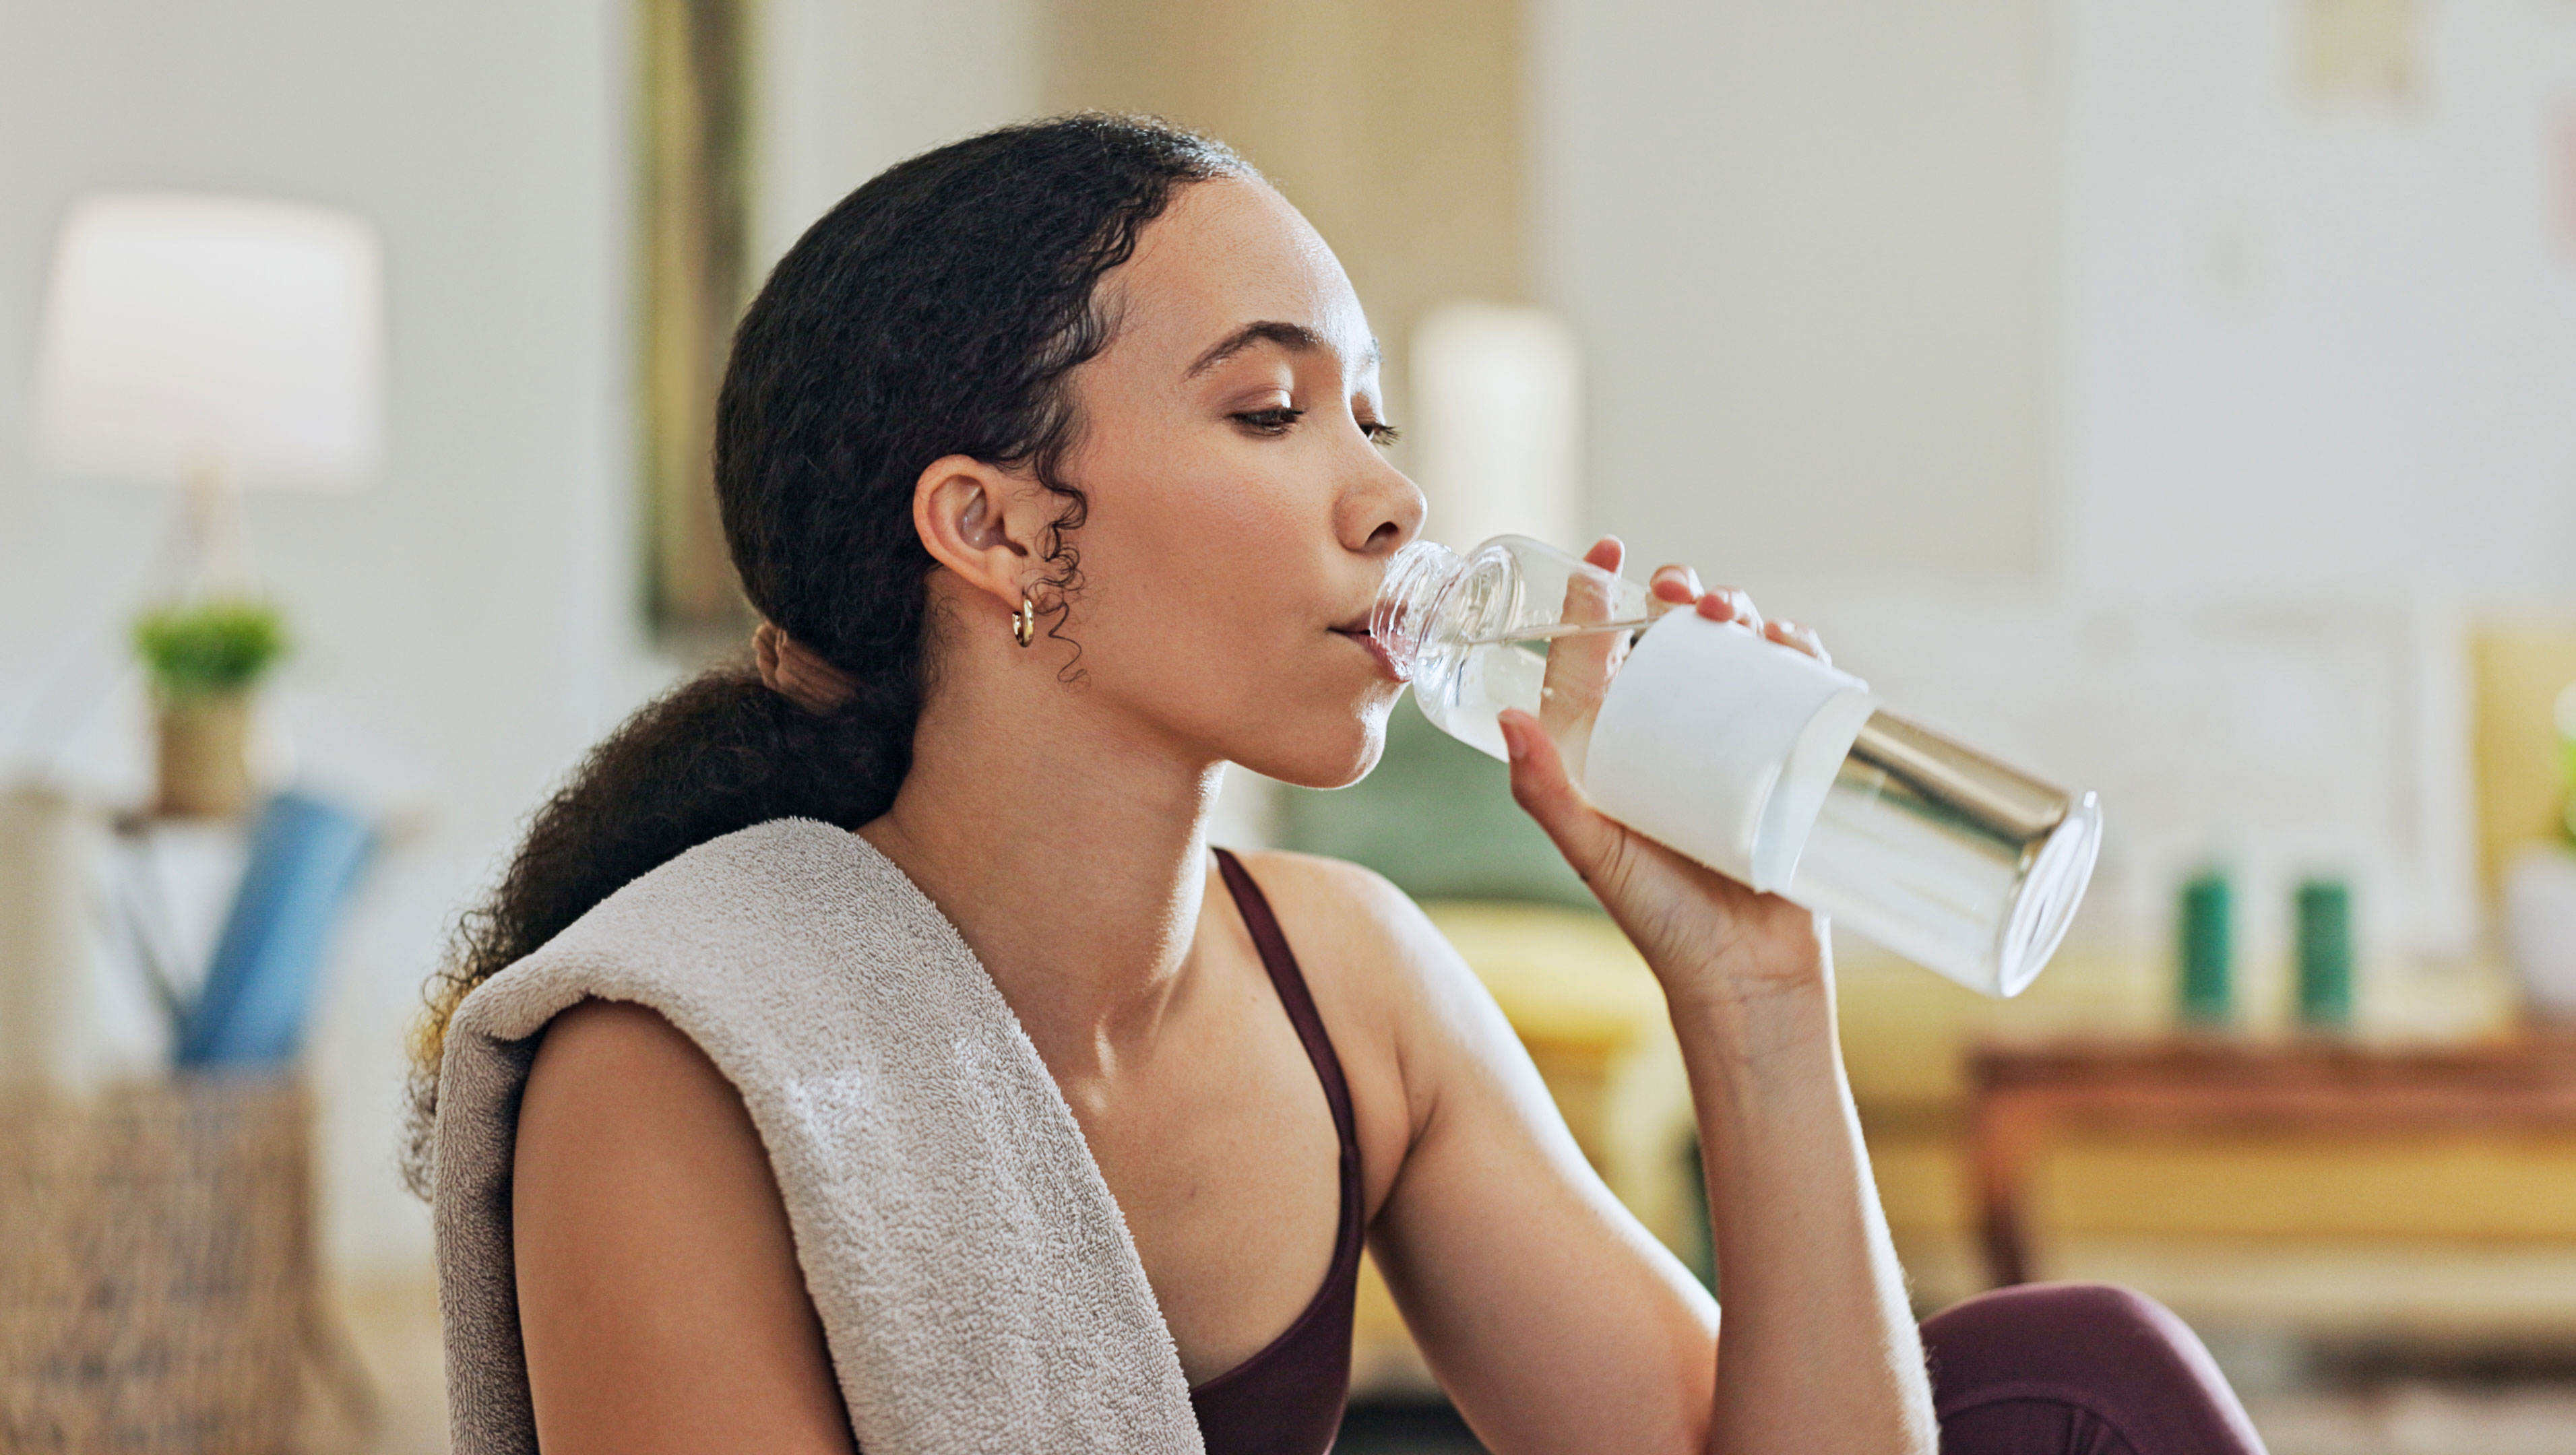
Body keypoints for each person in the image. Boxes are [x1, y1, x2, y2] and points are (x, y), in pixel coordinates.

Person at [406, 114, 2267, 1455]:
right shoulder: (676, 1062)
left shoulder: (1346, 983)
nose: (1393, 499)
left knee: (2083, 1379)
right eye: (1272, 410)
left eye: (1375, 415)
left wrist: (1757, 987)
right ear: (992, 527)